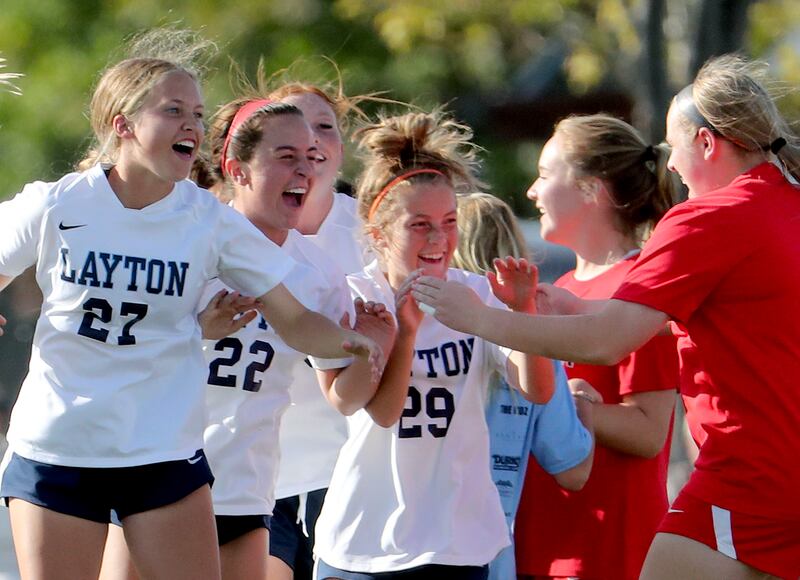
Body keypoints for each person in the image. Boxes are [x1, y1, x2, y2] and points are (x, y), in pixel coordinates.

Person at [0, 30, 381, 580]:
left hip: (161, 454)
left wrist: (351, 341)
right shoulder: (59, 203)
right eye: (174, 111)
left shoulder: (208, 221)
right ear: (123, 126)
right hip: (59, 447)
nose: (193, 127)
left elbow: (295, 319)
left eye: (198, 115)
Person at [412, 55, 800, 580]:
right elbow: (729, 319)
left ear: (707, 143)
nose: (670, 167)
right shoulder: (783, 203)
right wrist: (577, 305)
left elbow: (607, 343)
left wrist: (478, 317)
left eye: (674, 147)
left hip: (750, 476)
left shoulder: (711, 217)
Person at [313, 110, 555, 580]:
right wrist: (403, 332)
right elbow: (374, 411)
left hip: (455, 541)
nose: (440, 239)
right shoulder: (354, 298)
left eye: (448, 222)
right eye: (420, 225)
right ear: (379, 235)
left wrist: (523, 312)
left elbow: (538, 391)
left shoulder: (476, 294)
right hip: (366, 539)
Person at [509, 114, 680, 580]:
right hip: (542, 543)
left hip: (604, 550)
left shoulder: (640, 289)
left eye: (545, 175)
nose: (532, 191)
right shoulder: (562, 285)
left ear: (590, 189)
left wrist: (571, 405)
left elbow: (648, 431)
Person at [262, 74, 378, 580]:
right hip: (254, 468)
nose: (310, 142)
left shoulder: (374, 232)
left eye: (324, 127)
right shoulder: (232, 229)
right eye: (294, 131)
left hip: (347, 467)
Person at [451, 192, 594, 580]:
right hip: (490, 559)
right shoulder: (533, 338)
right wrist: (583, 405)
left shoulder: (427, 329)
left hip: (404, 548)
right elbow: (573, 469)